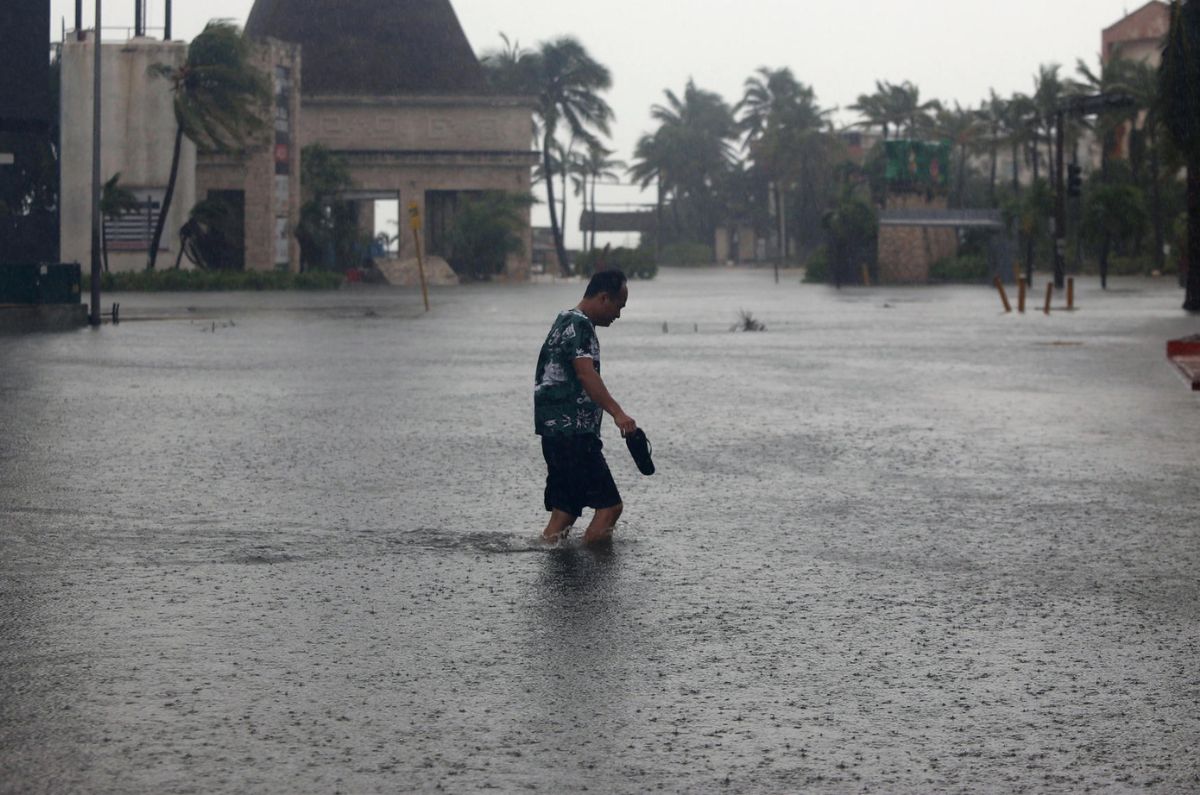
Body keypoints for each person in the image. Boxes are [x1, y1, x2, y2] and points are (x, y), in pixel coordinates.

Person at [534, 269, 636, 545]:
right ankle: (595, 581)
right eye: (618, 306)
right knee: (610, 508)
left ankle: (556, 570)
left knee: (564, 513)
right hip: (574, 435)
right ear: (604, 298)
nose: (618, 315)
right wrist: (618, 413)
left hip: (554, 435)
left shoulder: (563, 320)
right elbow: (585, 373)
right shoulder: (581, 326)